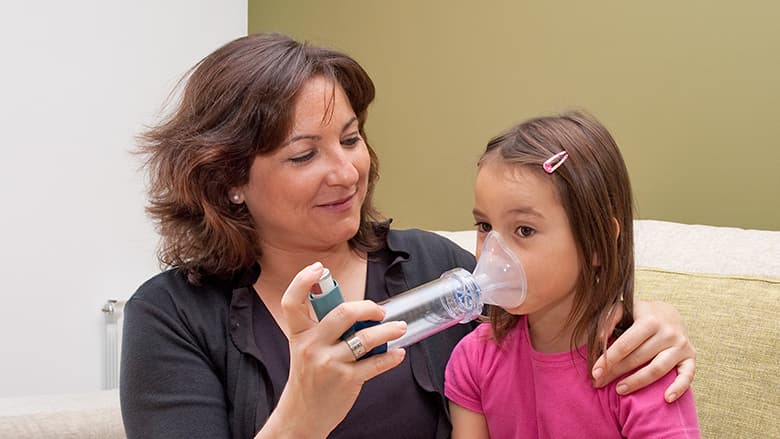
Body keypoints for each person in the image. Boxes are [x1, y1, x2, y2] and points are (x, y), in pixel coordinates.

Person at [120, 33, 696, 439]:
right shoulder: (173, 316)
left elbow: (555, 312)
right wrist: (302, 417)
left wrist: (644, 318)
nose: (346, 171)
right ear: (228, 180)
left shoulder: (433, 267)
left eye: (350, 139)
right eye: (303, 155)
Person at [445, 112, 701, 438]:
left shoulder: (639, 365)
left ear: (597, 242)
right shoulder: (474, 359)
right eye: (485, 227)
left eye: (524, 230)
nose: (492, 253)